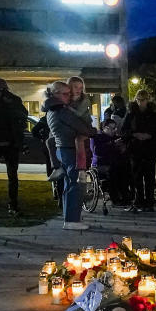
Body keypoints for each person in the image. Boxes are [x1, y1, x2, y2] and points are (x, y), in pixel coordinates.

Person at [44, 81, 96, 229]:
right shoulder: (62, 111)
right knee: (75, 185)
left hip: (63, 149)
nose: (69, 96)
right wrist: (94, 131)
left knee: (69, 185)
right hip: (69, 149)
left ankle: (70, 218)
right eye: (66, 94)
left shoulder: (51, 109)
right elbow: (83, 128)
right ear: (55, 94)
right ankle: (72, 221)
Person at [0, 78, 28, 217]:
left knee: (12, 176)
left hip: (11, 143)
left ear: (7, 88)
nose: (0, 92)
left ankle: (13, 205)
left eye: (3, 89)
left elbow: (23, 115)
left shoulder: (14, 99)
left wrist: (11, 104)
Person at [121, 90, 156, 213]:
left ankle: (149, 201)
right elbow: (124, 130)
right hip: (135, 149)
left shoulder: (154, 114)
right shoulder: (131, 114)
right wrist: (135, 134)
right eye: (138, 100)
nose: (140, 102)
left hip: (150, 149)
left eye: (143, 100)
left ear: (148, 100)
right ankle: (139, 200)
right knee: (136, 176)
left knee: (149, 176)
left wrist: (150, 136)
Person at [90, 119, 130, 206]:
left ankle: (126, 195)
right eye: (112, 128)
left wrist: (123, 148)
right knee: (113, 170)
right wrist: (112, 144)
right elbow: (97, 152)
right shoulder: (97, 137)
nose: (114, 130)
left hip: (114, 163)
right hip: (100, 164)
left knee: (126, 168)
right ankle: (115, 198)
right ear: (105, 128)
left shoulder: (115, 137)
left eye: (115, 128)